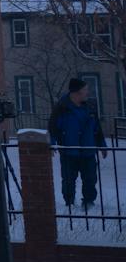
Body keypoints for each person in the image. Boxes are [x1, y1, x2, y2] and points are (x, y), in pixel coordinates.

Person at [48, 77, 108, 212]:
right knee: (69, 180)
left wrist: (102, 145)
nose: (88, 92)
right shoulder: (62, 108)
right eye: (85, 90)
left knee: (90, 179)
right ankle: (69, 203)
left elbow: (97, 128)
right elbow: (53, 128)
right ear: (76, 93)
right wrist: (52, 144)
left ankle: (88, 202)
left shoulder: (91, 106)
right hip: (69, 151)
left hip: (88, 150)